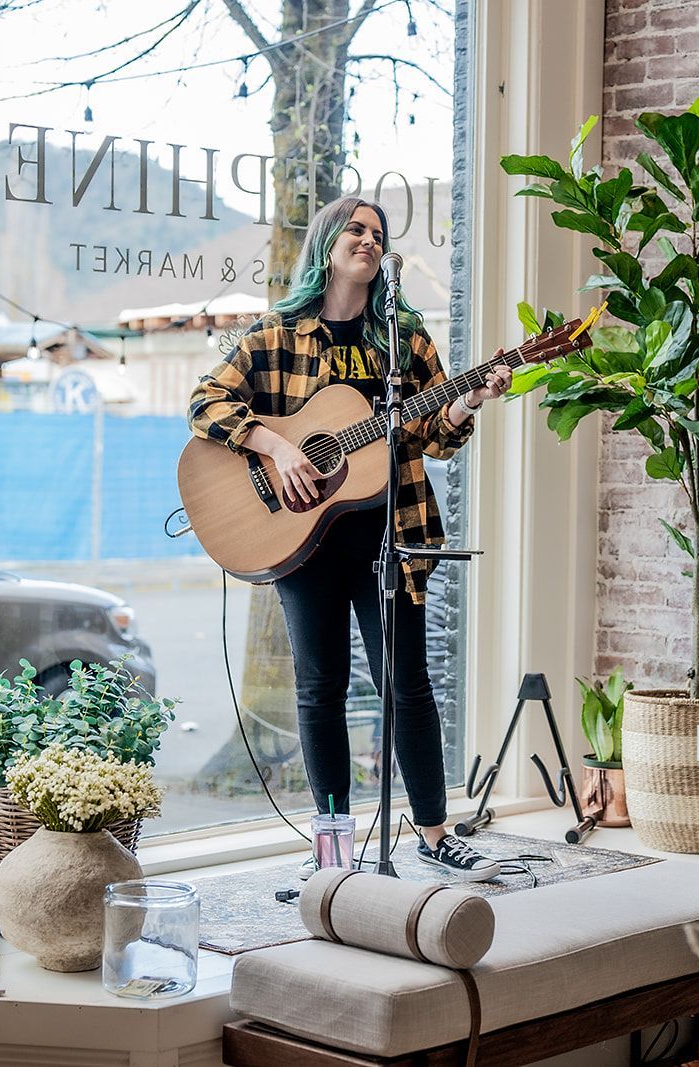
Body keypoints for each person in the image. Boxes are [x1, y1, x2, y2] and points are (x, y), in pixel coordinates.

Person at [189, 196, 512, 881]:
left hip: (392, 533)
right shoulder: (276, 333)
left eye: (378, 232)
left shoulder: (402, 335)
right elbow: (205, 402)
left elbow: (435, 436)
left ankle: (432, 832)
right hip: (301, 540)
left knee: (408, 683)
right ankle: (332, 850)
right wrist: (277, 447)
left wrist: (467, 400)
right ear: (328, 241)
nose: (368, 239)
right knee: (320, 687)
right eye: (355, 229)